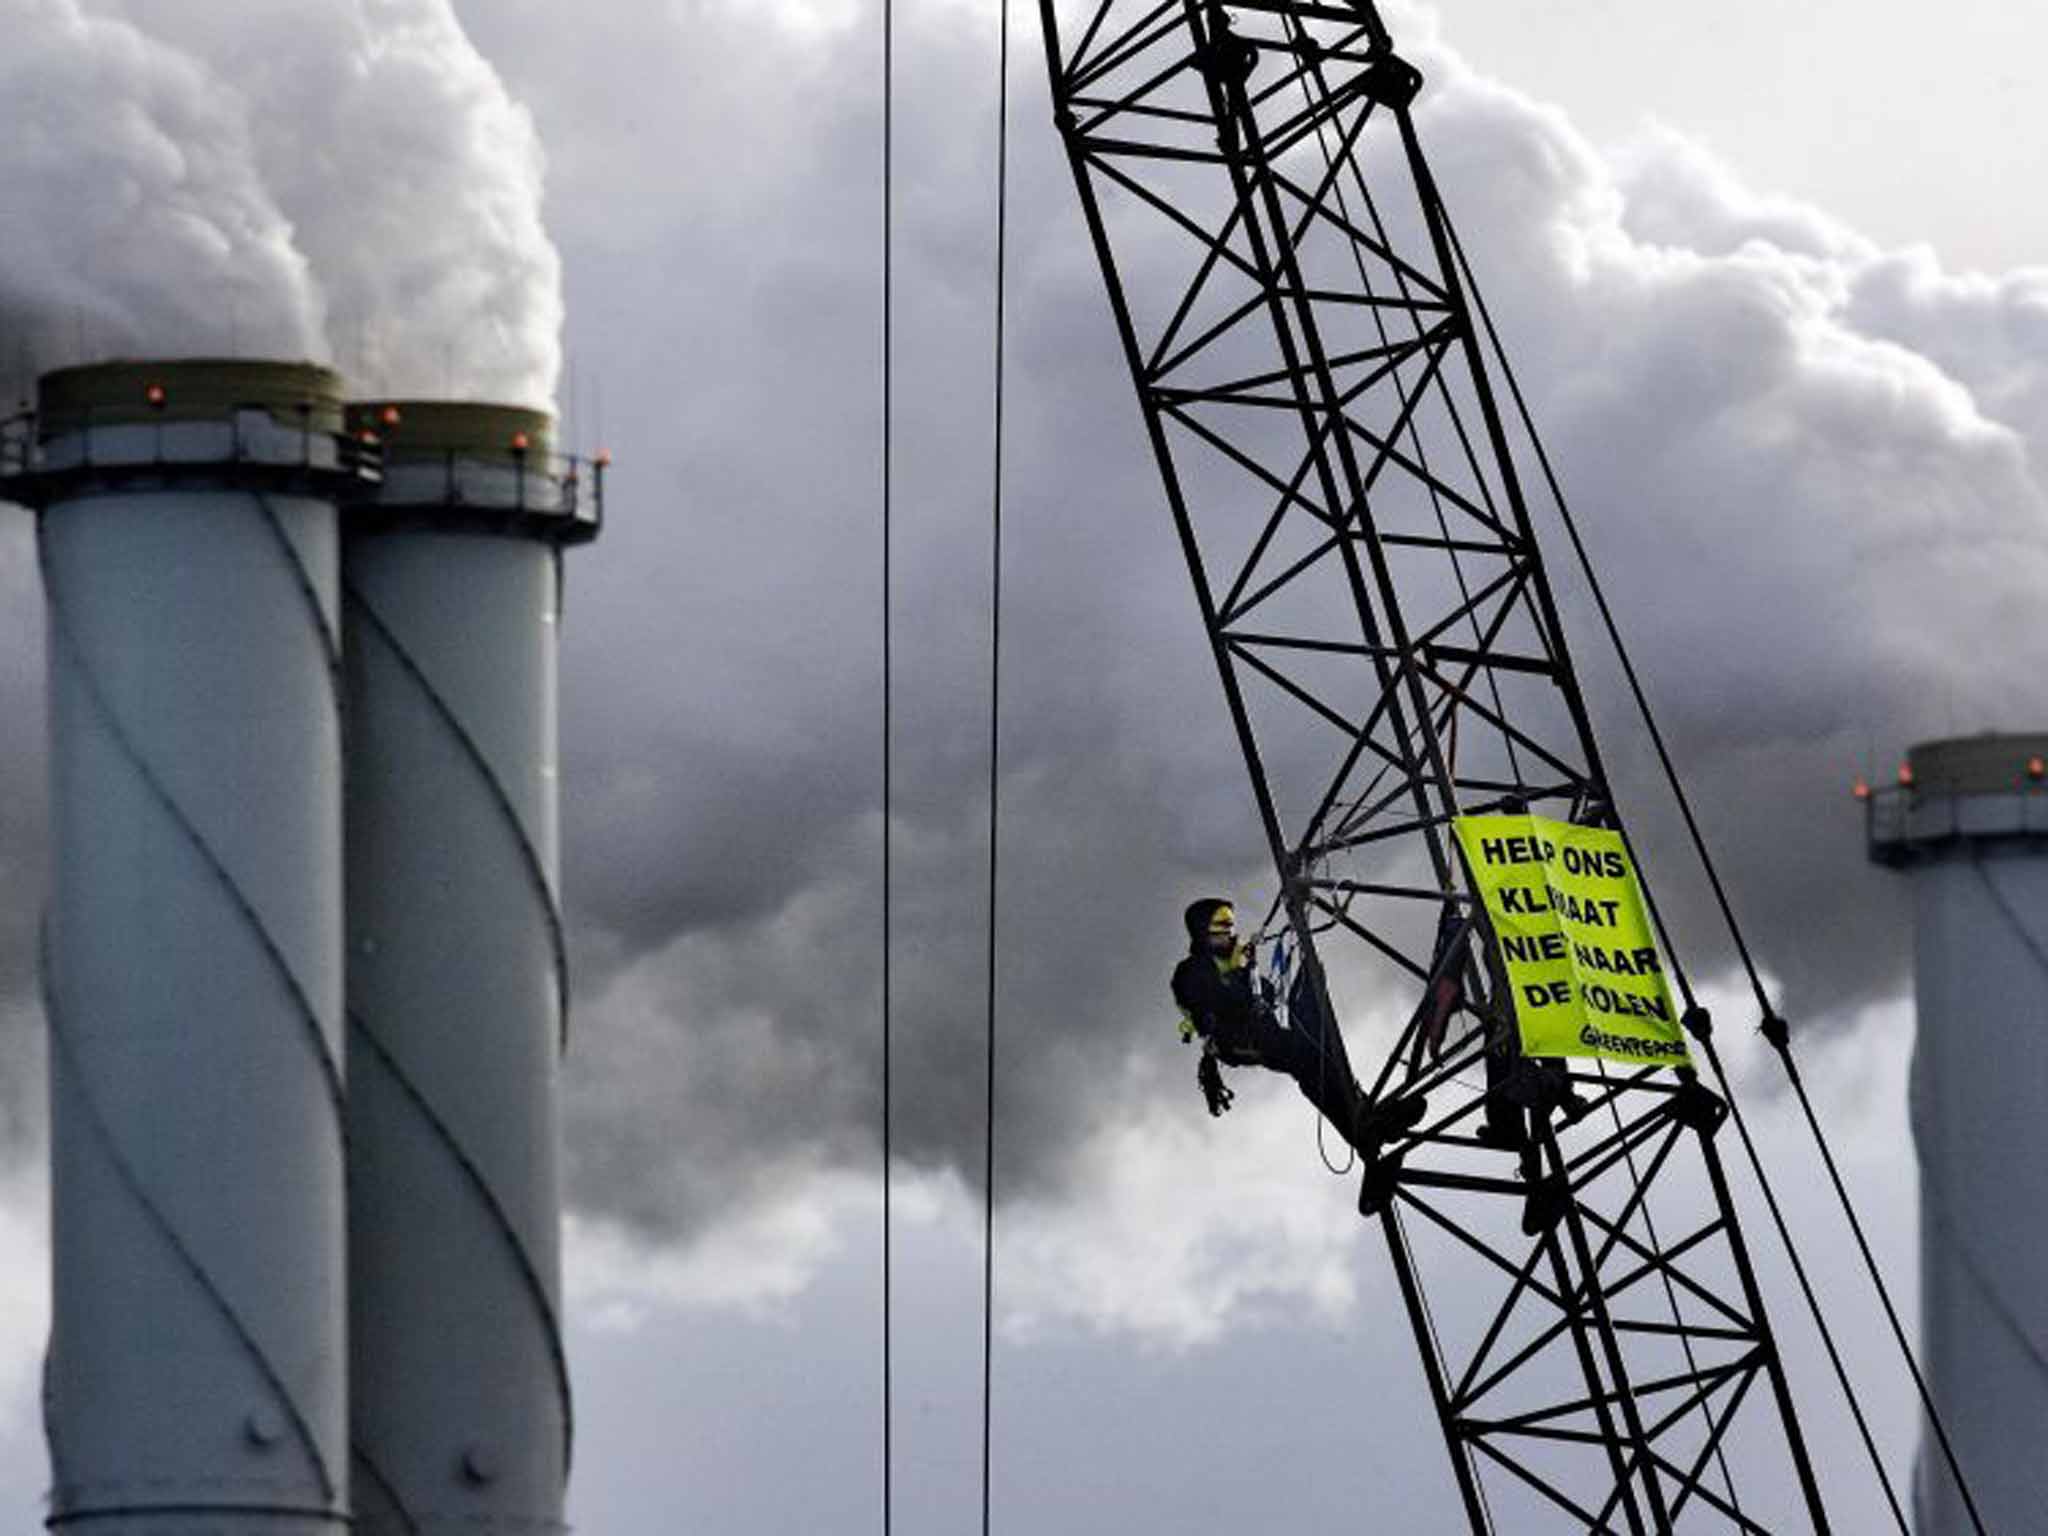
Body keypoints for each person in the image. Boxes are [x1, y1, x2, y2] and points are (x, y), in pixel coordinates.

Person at [1170, 897, 1424, 1150]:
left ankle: (1367, 1115)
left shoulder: (1228, 967)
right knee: (1308, 1057)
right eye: (1222, 927)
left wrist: (1244, 971)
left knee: (1317, 1051)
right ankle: (1362, 1128)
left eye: (1231, 927)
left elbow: (1266, 992)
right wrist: (1242, 971)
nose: (1231, 934)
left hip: (1262, 1031)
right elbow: (1228, 1000)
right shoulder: (1190, 972)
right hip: (1236, 1040)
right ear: (1203, 932)